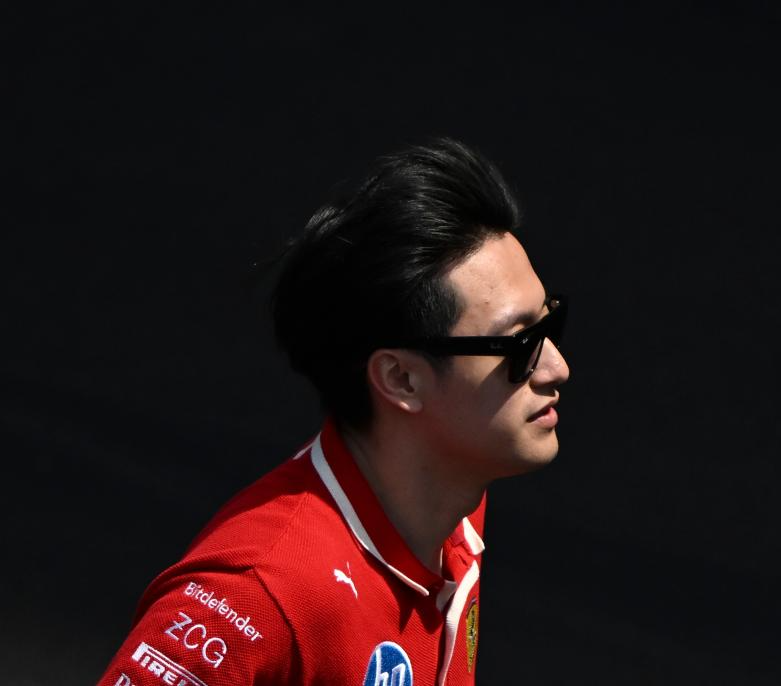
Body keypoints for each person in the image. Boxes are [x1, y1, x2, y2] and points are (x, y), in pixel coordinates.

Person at [98, 138, 571, 686]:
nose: (556, 368)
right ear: (400, 379)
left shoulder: (452, 501)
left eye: (550, 325)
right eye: (519, 344)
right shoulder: (252, 598)